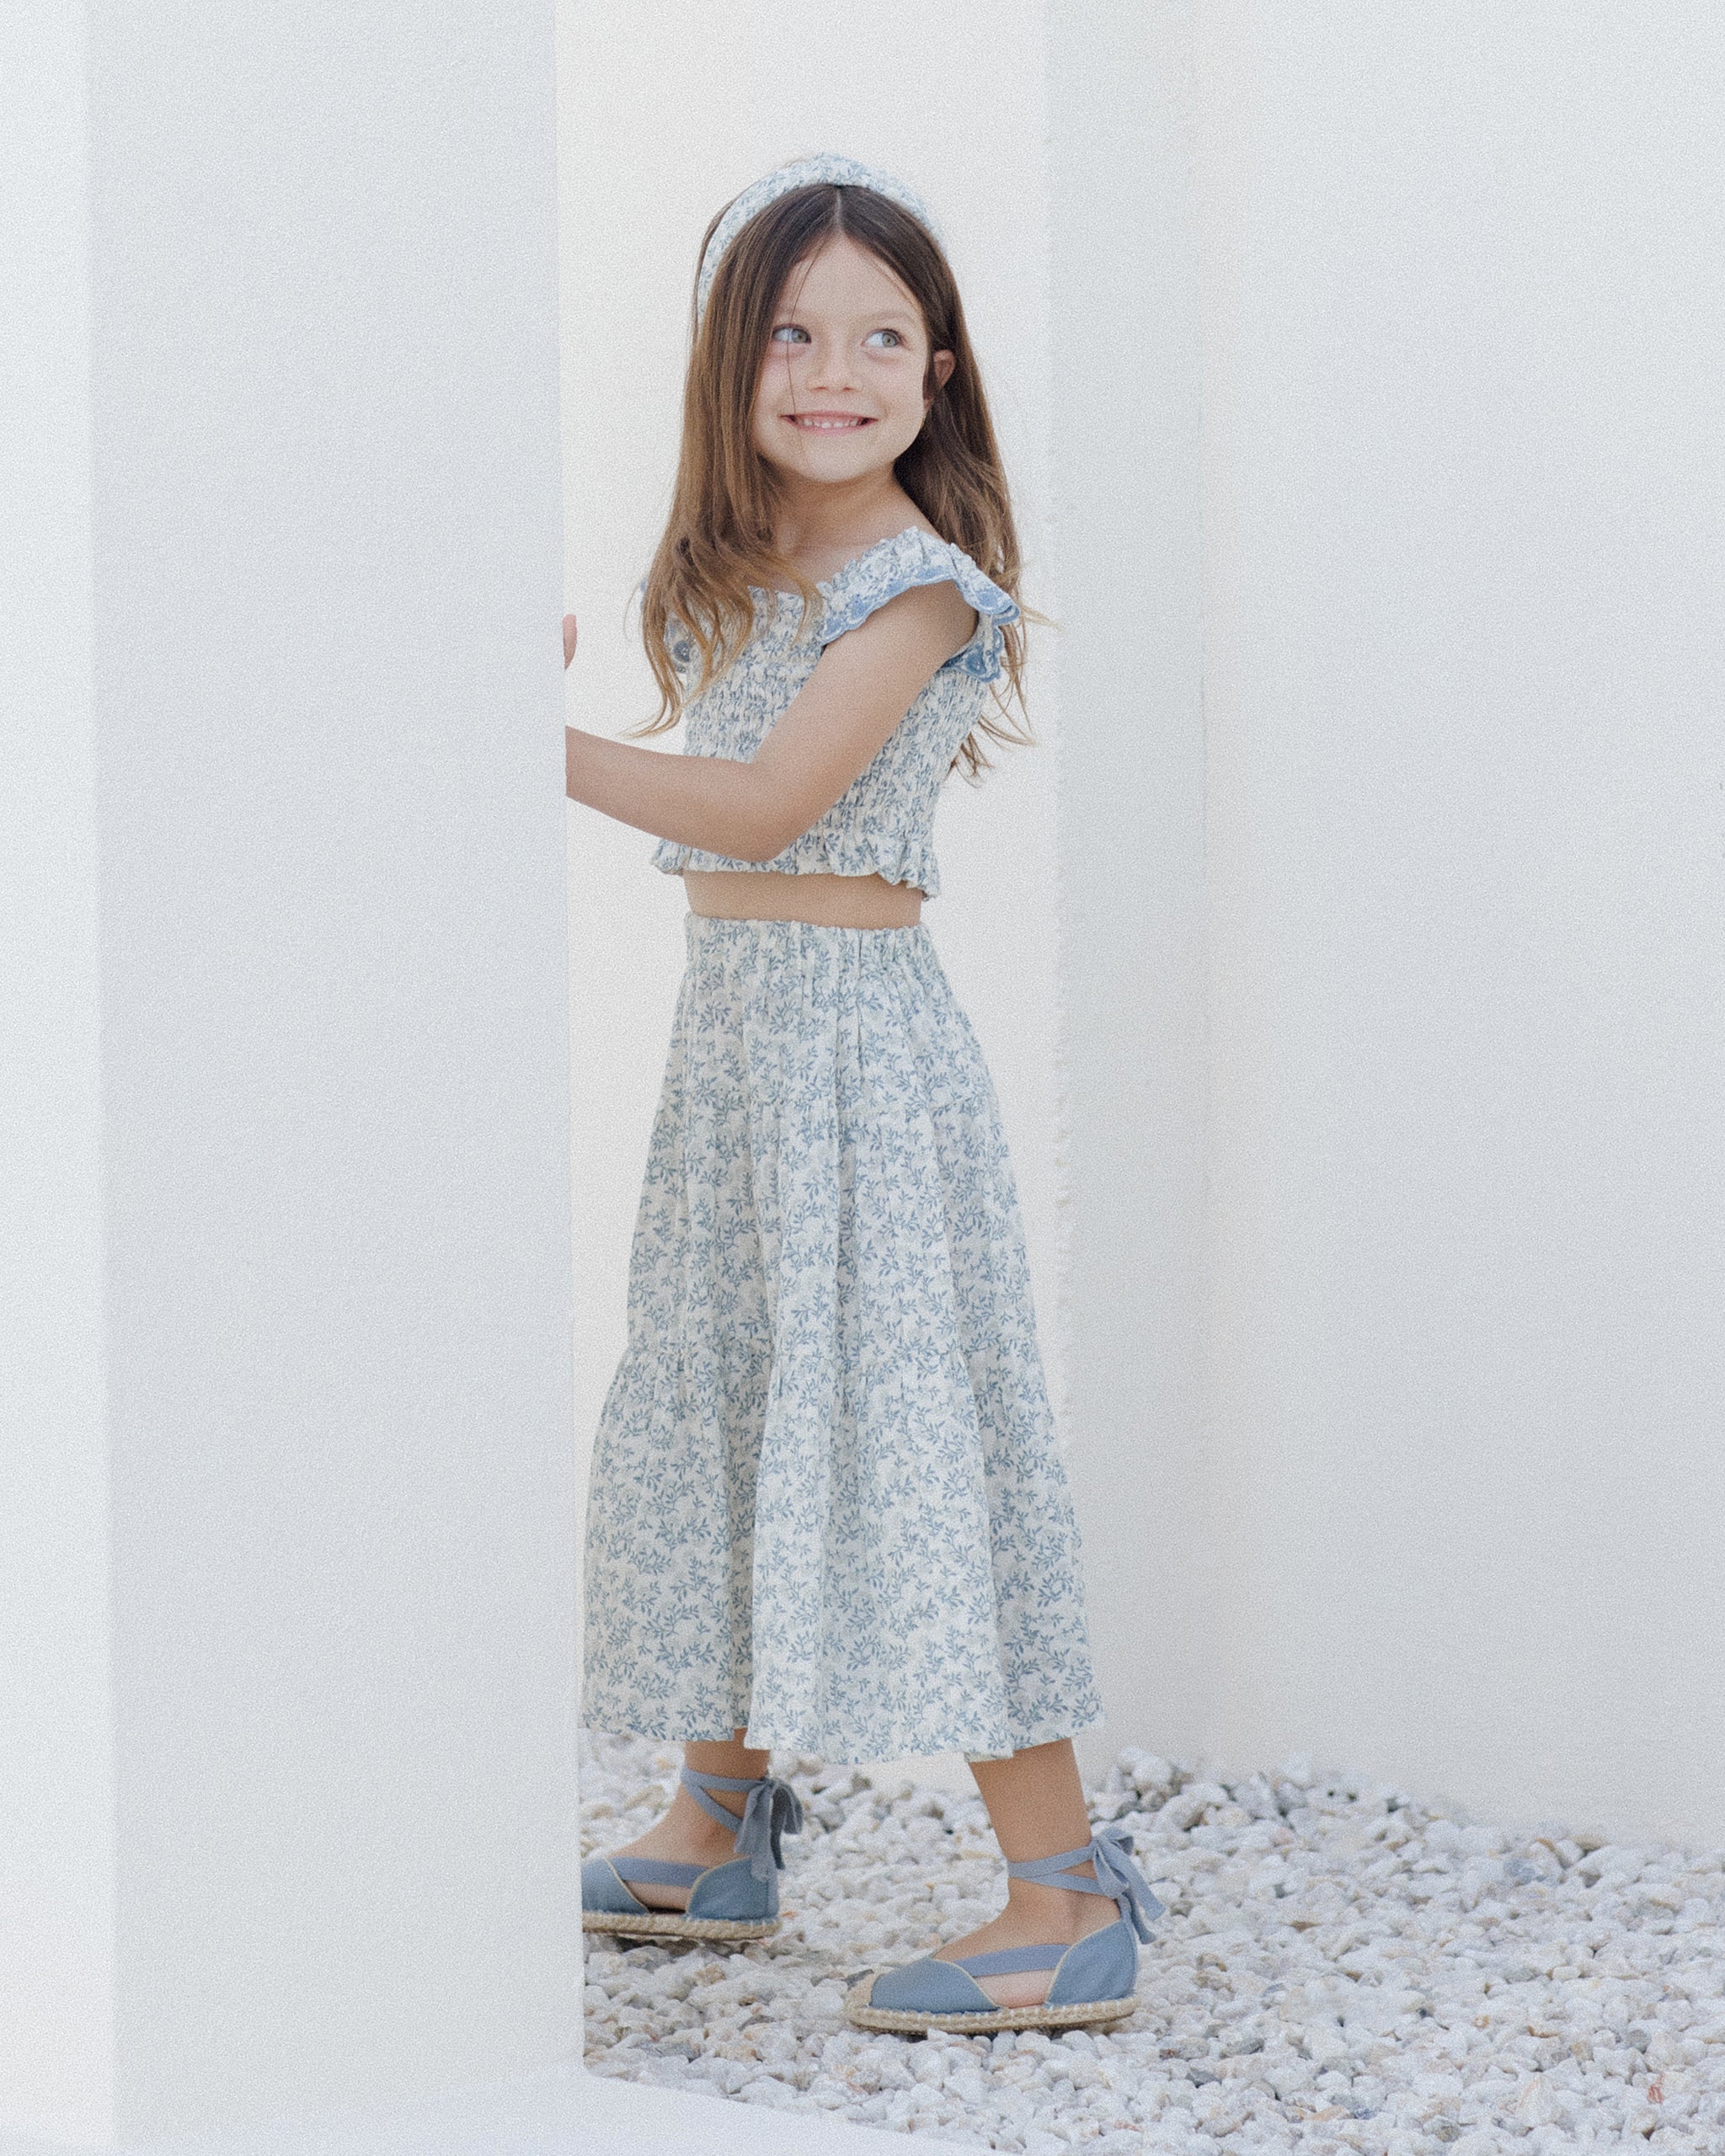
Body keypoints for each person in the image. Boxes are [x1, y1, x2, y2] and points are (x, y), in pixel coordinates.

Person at [563, 152, 1162, 2036]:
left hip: (859, 1065)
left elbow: (762, 809)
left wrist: (522, 739)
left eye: (881, 338)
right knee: (731, 1397)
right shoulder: (744, 572)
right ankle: (717, 1817)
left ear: (940, 370)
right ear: (731, 365)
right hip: (737, 1048)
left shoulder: (919, 590)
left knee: (918, 1437)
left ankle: (1063, 1893)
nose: (835, 373)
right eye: (792, 335)